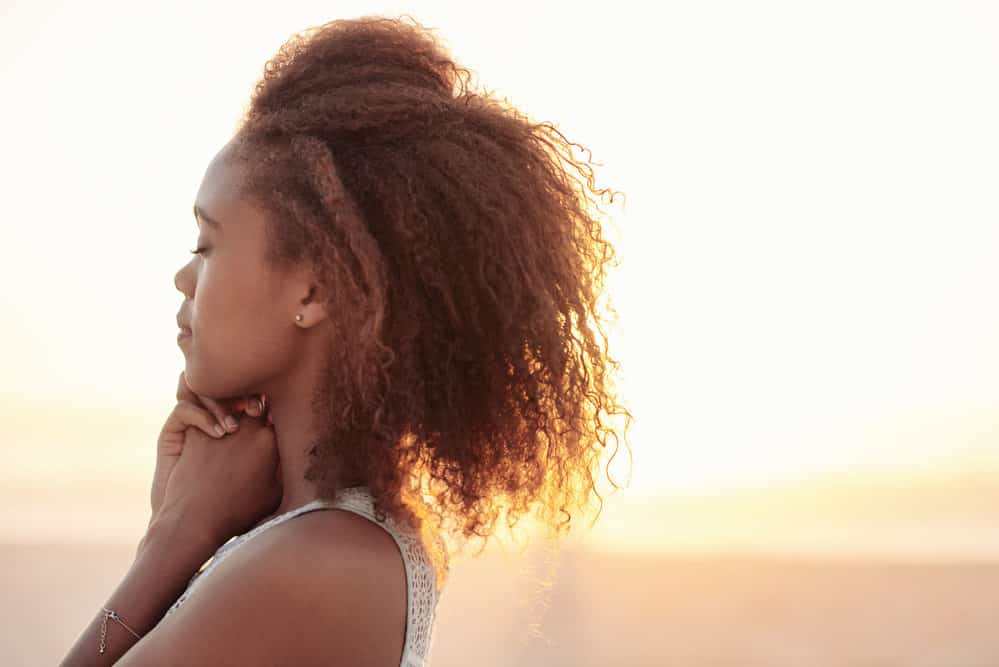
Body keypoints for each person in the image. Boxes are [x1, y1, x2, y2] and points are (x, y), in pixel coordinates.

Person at [60, 14, 631, 667]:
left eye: (207, 243)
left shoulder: (315, 562)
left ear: (313, 292)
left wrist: (170, 540)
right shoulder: (330, 535)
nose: (183, 276)